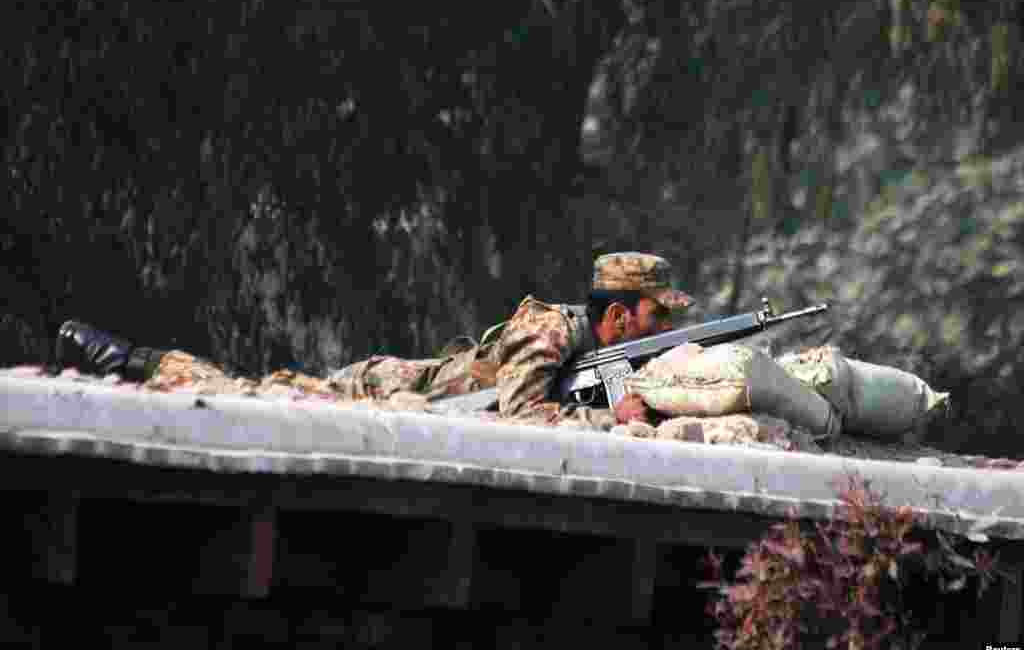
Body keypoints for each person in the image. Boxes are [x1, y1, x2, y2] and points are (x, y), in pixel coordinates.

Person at [52, 252, 693, 428]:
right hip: (383, 390)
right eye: (657, 316)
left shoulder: (591, 343)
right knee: (252, 395)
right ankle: (132, 358)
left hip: (412, 396)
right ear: (621, 317)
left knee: (257, 390)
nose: (664, 330)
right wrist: (613, 417)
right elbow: (523, 412)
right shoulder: (547, 330)